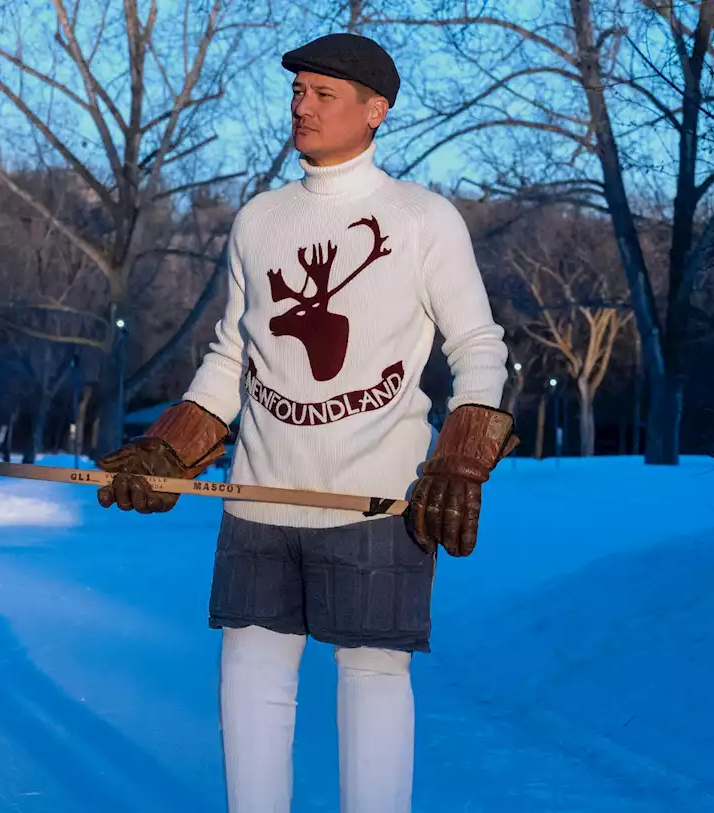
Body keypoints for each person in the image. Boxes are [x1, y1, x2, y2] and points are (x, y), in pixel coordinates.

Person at [96, 32, 517, 813]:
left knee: (372, 679)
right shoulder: (259, 220)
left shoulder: (423, 219)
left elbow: (478, 346)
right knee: (250, 682)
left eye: (324, 94)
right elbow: (235, 354)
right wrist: (171, 446)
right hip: (257, 498)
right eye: (298, 92)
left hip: (375, 503)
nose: (303, 107)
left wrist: (460, 459)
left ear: (375, 109)